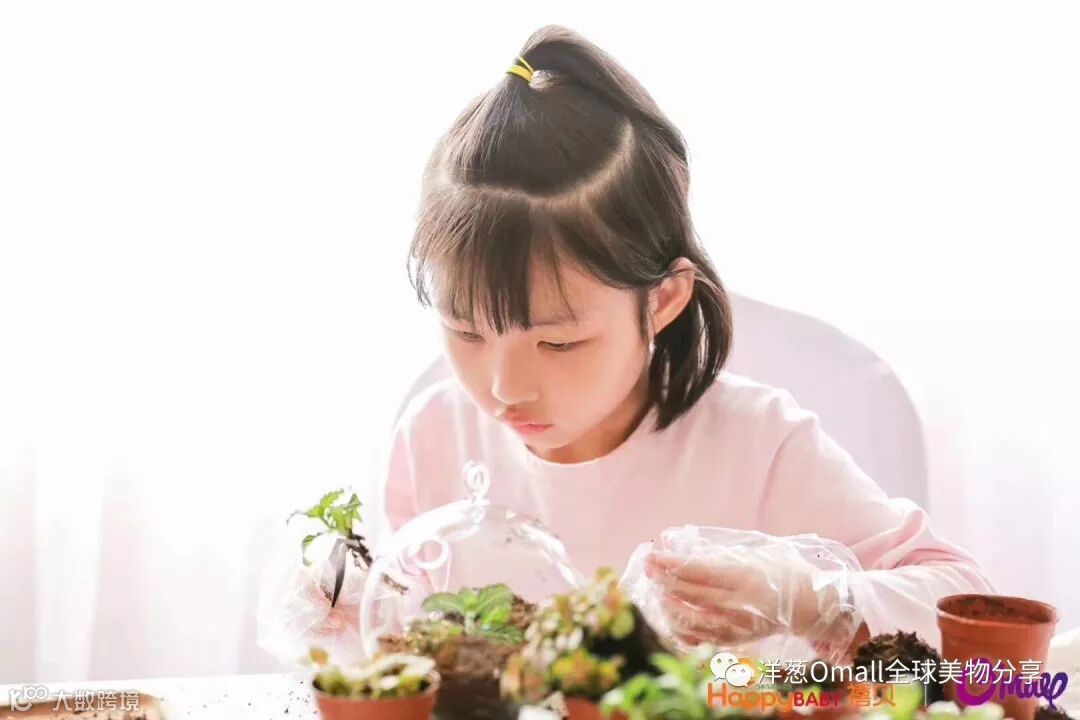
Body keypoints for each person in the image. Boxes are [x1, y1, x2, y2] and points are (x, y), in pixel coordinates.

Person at [305, 25, 993, 661]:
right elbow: (403, 647)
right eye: (466, 330)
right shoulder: (434, 435)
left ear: (663, 300)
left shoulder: (758, 445)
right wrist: (342, 610)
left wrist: (813, 600)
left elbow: (974, 611)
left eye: (560, 343)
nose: (504, 389)